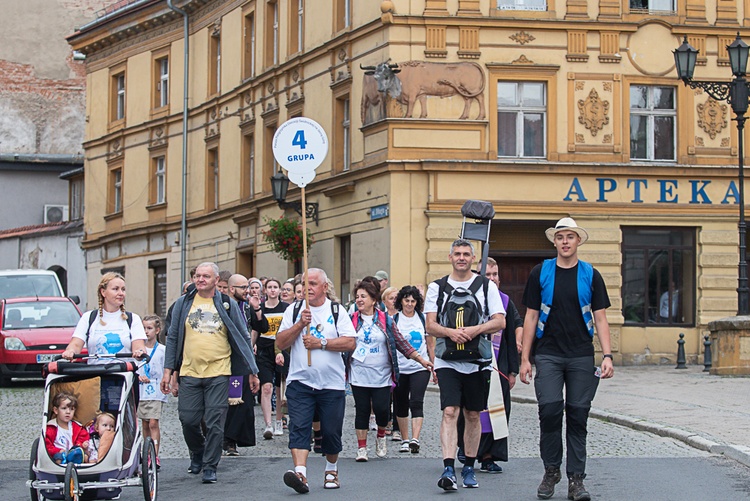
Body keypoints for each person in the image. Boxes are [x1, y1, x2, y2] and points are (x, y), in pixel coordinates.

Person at [519, 217, 614, 501]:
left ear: (578, 241)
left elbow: (600, 317)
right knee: (549, 410)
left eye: (570, 237)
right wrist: (525, 358)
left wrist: (607, 355)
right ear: (554, 241)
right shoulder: (541, 272)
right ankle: (551, 471)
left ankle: (576, 480)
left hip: (581, 354)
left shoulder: (591, 274)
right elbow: (531, 315)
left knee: (577, 415)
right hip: (547, 353)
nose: (565, 241)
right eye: (560, 237)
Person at [160, 262, 260, 485]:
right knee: (188, 419)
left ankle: (210, 465)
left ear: (216, 280)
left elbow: (243, 338)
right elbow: (173, 337)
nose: (200, 279)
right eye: (197, 276)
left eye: (205, 276)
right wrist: (169, 371)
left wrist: (252, 371)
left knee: (215, 422)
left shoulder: (226, 304)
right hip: (189, 371)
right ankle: (197, 451)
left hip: (219, 371)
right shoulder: (182, 304)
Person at [425, 238, 506, 491]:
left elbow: (500, 321)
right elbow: (430, 324)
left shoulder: (485, 286)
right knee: (450, 411)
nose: (461, 257)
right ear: (450, 257)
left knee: (472, 414)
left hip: (478, 361)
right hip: (447, 360)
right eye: (457, 253)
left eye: (466, 254)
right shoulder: (436, 287)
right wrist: (451, 333)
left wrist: (475, 330)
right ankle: (448, 467)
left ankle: (469, 466)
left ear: (473, 259)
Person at [276, 268, 357, 493]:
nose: (307, 288)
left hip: (331, 383)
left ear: (324, 287)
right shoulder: (293, 311)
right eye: (303, 283)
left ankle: (331, 468)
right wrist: (300, 325)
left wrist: (322, 343)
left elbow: (350, 343)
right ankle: (300, 472)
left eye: (312, 283)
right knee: (299, 427)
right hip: (300, 381)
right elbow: (281, 342)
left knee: (331, 431)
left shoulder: (336, 310)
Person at [349, 279, 432, 462]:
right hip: (359, 374)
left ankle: (380, 435)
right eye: (357, 297)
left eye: (363, 296)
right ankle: (362, 448)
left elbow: (401, 343)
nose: (359, 300)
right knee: (362, 410)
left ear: (373, 299)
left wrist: (421, 360)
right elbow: (343, 342)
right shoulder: (352, 320)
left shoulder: (385, 320)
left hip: (382, 375)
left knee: (381, 410)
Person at [457, 257, 521, 473]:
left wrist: (513, 370)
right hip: (471, 364)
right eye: (488, 275)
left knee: (497, 411)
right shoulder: (467, 298)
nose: (492, 279)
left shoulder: (505, 302)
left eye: (495, 275)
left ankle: (489, 456)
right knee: (471, 408)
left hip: (499, 366)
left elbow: (511, 338)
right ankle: (466, 448)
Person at [62, 272, 146, 364]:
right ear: (103, 292)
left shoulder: (133, 319)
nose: (121, 293)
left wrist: (139, 352)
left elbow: (139, 347)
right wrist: (71, 351)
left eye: (123, 289)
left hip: (124, 375)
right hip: (96, 374)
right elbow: (76, 344)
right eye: (115, 289)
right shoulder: (88, 318)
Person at [392, 285, 433, 454]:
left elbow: (430, 344)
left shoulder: (422, 319)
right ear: (401, 301)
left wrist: (433, 363)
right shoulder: (394, 320)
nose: (409, 304)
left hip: (420, 366)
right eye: (406, 300)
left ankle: (415, 438)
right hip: (400, 368)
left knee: (416, 401)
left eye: (413, 301)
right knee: (400, 403)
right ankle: (405, 438)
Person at [223, 273, 257, 456]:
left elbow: (259, 327)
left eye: (248, 287)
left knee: (241, 402)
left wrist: (258, 310)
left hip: (243, 359)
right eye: (243, 287)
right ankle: (225, 438)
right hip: (226, 359)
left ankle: (232, 440)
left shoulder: (247, 308)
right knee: (229, 401)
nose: (247, 291)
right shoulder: (225, 306)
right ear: (231, 289)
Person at [257, 277, 290, 438]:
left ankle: (279, 420)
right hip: (264, 349)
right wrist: (252, 345)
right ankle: (268, 424)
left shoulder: (286, 308)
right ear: (265, 290)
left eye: (275, 287)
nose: (272, 290)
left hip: (281, 349)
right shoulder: (261, 308)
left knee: (279, 387)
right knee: (267, 387)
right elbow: (255, 329)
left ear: (279, 290)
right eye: (269, 287)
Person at [137, 315, 167, 468]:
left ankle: (155, 453)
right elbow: (134, 367)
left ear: (157, 330)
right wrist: (139, 376)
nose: (146, 332)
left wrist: (168, 381)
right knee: (145, 422)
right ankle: (146, 452)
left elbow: (166, 369)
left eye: (149, 328)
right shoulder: (138, 350)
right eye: (144, 328)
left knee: (153, 422)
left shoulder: (162, 350)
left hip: (156, 390)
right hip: (142, 390)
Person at [45, 392, 89, 465]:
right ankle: (61, 467)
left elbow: (83, 437)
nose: (68, 412)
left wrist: (81, 444)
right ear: (56, 410)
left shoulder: (77, 427)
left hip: (73, 452)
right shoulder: (51, 427)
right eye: (64, 408)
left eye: (71, 409)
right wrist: (58, 450)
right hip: (58, 454)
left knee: (84, 455)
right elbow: (47, 445)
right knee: (59, 457)